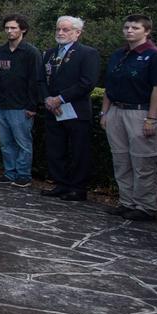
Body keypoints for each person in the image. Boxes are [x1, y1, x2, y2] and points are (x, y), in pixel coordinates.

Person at [101, 14, 157, 221]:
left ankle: (145, 206)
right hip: (116, 110)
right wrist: (105, 112)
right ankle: (126, 202)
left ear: (147, 31)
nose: (129, 31)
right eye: (127, 27)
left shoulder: (154, 55)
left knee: (143, 162)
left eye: (135, 28)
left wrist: (152, 118)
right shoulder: (119, 54)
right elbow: (109, 85)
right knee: (120, 159)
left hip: (140, 112)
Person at [38, 16, 100, 202]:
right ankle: (61, 183)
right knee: (56, 149)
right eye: (58, 29)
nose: (60, 33)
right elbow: (40, 79)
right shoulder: (49, 53)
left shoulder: (87, 53)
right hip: (52, 110)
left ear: (77, 32)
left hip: (75, 110)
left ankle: (77, 188)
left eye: (65, 30)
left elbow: (87, 82)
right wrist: (48, 99)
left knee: (78, 150)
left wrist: (60, 99)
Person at [0, 14, 42, 187]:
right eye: (7, 28)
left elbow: (35, 80)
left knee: (23, 143)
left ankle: (23, 175)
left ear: (23, 30)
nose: (10, 31)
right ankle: (9, 173)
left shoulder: (31, 52)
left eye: (13, 28)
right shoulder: (0, 51)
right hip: (1, 105)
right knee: (5, 143)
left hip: (21, 106)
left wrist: (32, 105)